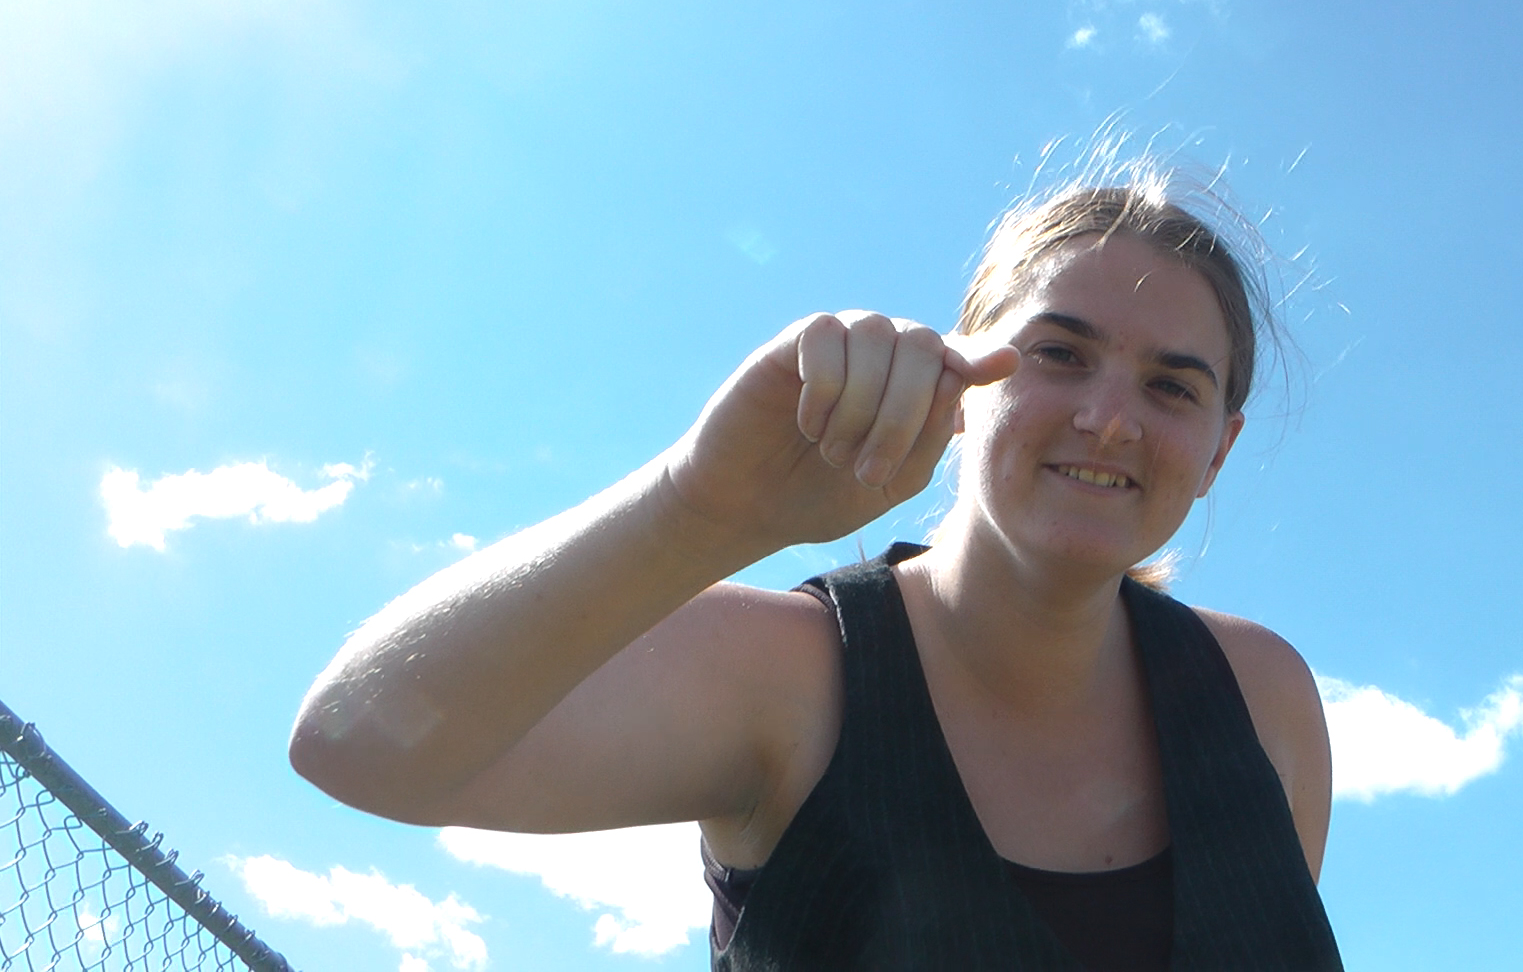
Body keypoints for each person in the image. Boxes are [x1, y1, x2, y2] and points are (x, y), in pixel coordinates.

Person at [290, 164, 1344, 970]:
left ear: (1220, 448)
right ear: (964, 372)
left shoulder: (1263, 700)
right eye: (1059, 354)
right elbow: (358, 745)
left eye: (1172, 386)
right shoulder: (794, 675)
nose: (1110, 419)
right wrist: (701, 505)